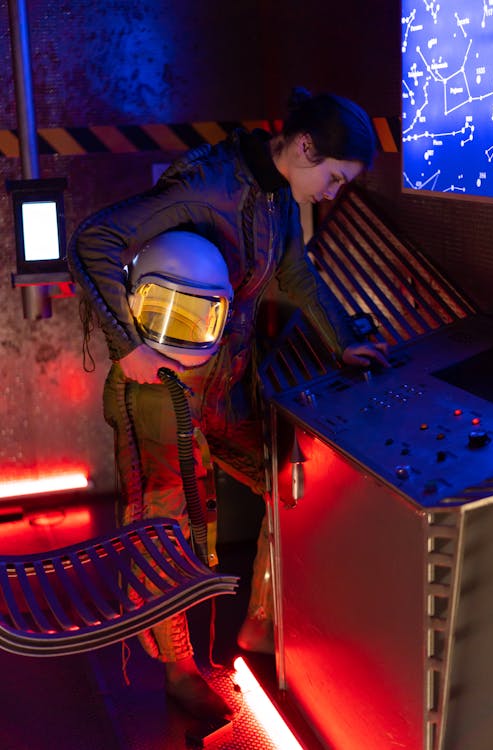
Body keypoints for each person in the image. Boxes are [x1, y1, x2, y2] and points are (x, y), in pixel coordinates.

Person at [67, 87, 389, 722]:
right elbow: (93, 240)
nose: (332, 192)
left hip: (225, 385)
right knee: (171, 525)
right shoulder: (208, 185)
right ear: (304, 147)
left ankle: (265, 622)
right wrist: (127, 345)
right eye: (333, 176)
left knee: (288, 480)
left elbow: (296, 274)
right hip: (161, 394)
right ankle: (179, 668)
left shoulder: (275, 198)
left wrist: (344, 344)